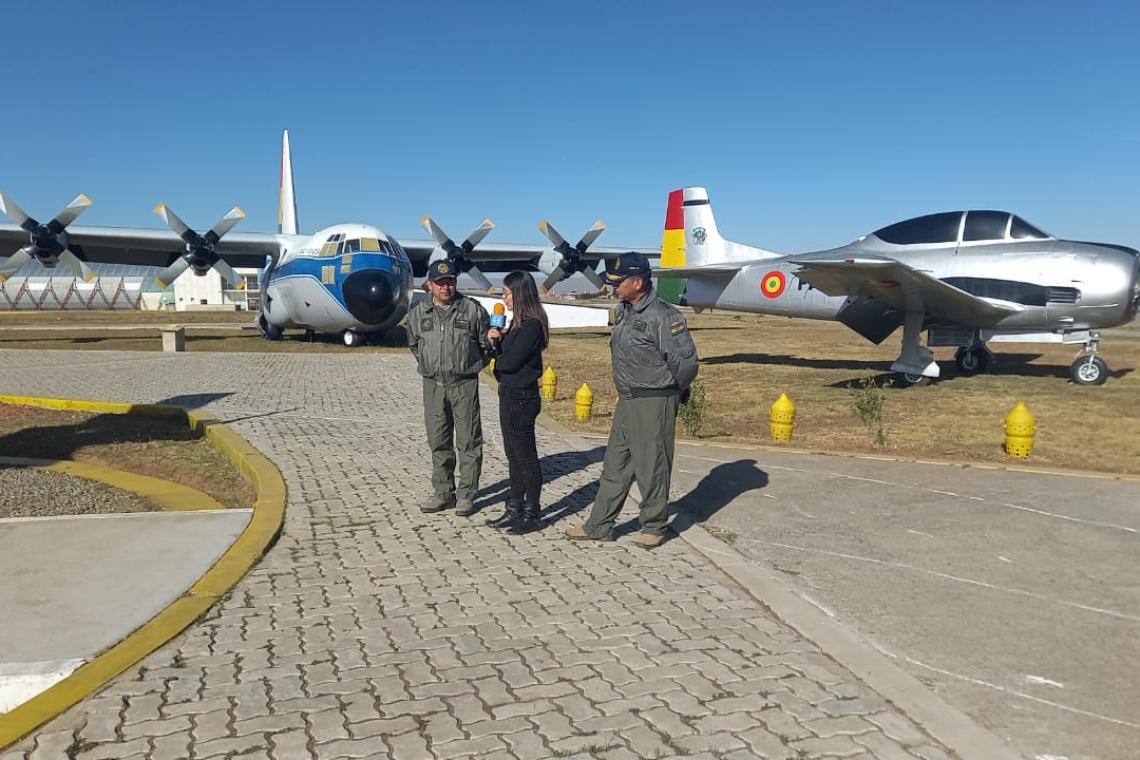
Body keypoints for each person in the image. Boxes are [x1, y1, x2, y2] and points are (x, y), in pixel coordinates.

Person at [564, 252, 698, 549]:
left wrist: (674, 391)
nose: (613, 286)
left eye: (618, 281)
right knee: (615, 465)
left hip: (655, 400)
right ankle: (599, 524)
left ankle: (654, 525)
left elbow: (686, 363)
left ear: (638, 281)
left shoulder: (664, 316)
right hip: (627, 398)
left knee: (652, 466)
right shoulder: (624, 310)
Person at [405, 260, 492, 516]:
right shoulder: (418, 313)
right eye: (440, 283)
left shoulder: (472, 310)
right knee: (439, 441)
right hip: (433, 386)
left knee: (469, 442)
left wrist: (468, 364)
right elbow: (414, 345)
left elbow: (486, 344)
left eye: (451, 281)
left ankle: (467, 495)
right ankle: (443, 493)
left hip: (463, 384)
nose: (446, 287)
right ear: (429, 285)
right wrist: (431, 365)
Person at [484, 271, 549, 535]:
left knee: (526, 458)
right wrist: (495, 339)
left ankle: (532, 513)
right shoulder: (515, 324)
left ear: (520, 293)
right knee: (512, 455)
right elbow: (503, 358)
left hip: (523, 397)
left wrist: (497, 361)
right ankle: (514, 508)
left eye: (507, 293)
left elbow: (511, 362)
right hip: (508, 393)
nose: (504, 298)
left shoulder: (532, 325)